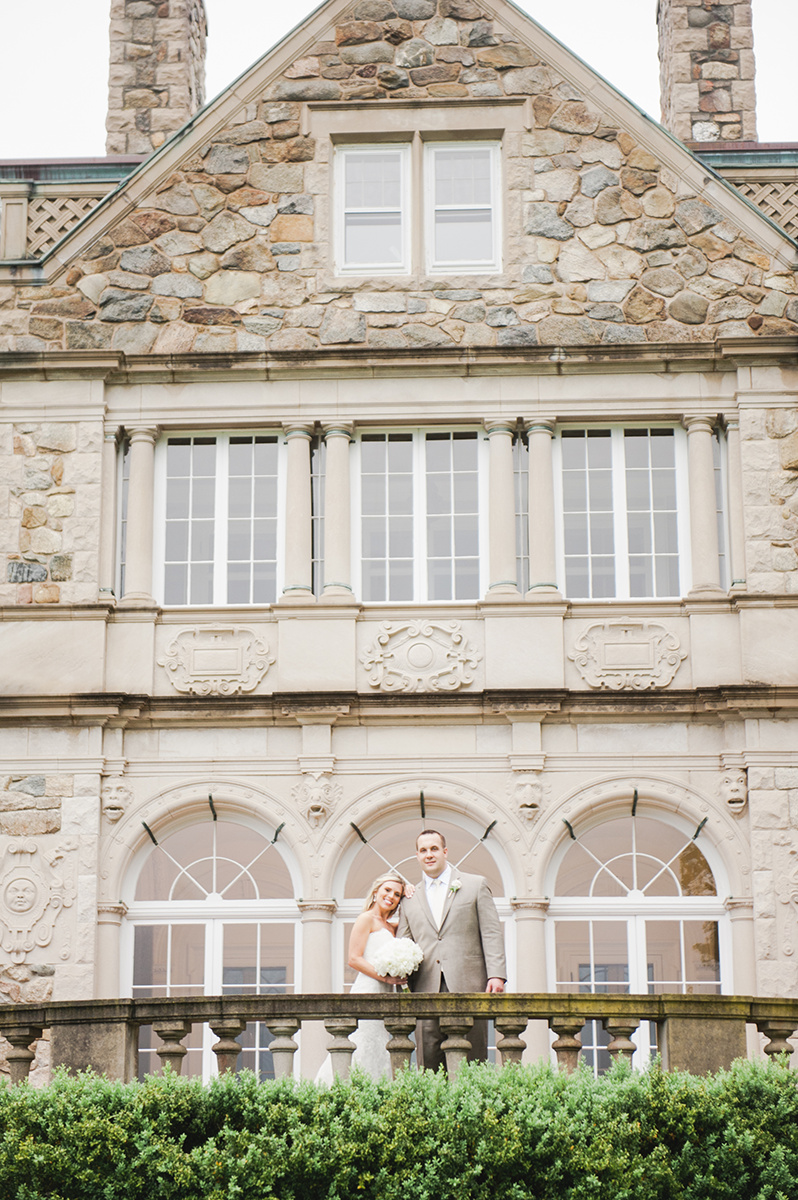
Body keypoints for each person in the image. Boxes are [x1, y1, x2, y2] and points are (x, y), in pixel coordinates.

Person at [397, 828, 506, 1071]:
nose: (429, 854)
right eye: (423, 850)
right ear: (417, 855)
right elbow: (403, 943)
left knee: (473, 1057)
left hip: (469, 983)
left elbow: (491, 932)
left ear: (445, 852)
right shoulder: (409, 899)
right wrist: (398, 974)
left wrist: (496, 974)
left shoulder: (475, 885)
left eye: (434, 848)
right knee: (428, 1060)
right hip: (425, 986)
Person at [316, 872, 407, 1083]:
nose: (391, 896)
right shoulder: (365, 919)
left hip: (388, 993)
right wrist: (386, 979)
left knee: (383, 1044)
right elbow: (354, 959)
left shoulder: (393, 926)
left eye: (397, 894)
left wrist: (410, 889)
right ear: (376, 892)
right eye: (387, 890)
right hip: (369, 988)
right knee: (363, 1040)